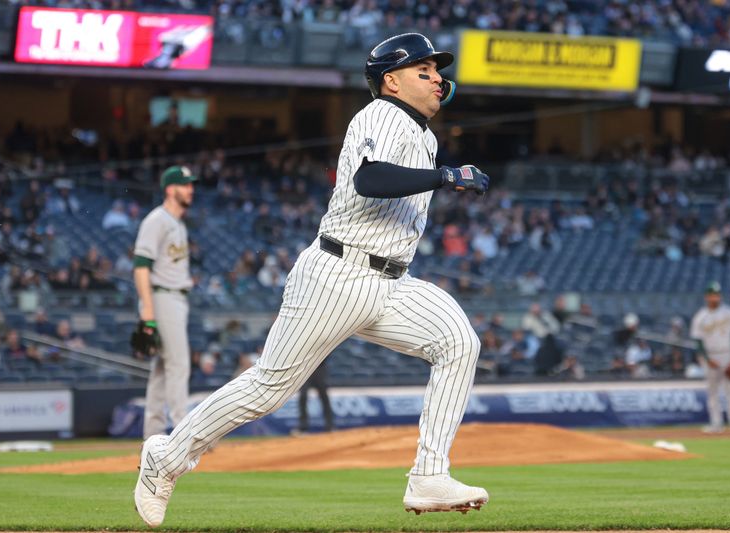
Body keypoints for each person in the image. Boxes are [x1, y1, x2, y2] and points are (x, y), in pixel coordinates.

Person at [134, 33, 490, 527]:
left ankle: (429, 475)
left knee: (458, 342)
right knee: (266, 391)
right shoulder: (380, 114)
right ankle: (166, 459)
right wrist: (447, 176)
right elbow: (371, 180)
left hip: (392, 281)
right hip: (337, 274)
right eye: (423, 70)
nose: (437, 78)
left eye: (437, 70)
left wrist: (442, 172)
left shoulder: (424, 135)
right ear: (390, 80)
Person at [132, 165, 197, 439]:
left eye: (191, 184)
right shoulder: (156, 220)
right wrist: (148, 311)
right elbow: (140, 265)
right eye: (185, 185)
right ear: (170, 190)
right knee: (179, 364)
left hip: (174, 297)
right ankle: (184, 435)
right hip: (161, 298)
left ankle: (153, 435)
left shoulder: (178, 223)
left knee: (161, 370)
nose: (190, 189)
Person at [689, 282, 730, 434]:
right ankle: (716, 424)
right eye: (712, 294)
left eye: (717, 294)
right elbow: (698, 341)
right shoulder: (700, 316)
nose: (714, 297)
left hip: (727, 353)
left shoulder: (729, 312)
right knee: (712, 391)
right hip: (710, 355)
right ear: (707, 297)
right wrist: (707, 359)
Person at [294, 359, 334, 434]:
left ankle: (330, 425)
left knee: (324, 397)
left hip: (319, 368)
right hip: (306, 370)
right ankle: (303, 427)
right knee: (303, 397)